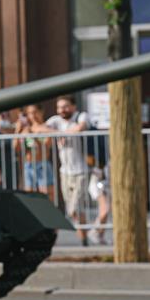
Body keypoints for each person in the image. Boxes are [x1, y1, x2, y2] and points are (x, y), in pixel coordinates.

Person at [46, 95, 90, 245]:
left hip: (82, 170)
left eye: (65, 106)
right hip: (65, 171)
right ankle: (84, 239)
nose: (62, 110)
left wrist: (62, 134)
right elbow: (39, 128)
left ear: (73, 107)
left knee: (73, 208)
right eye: (59, 107)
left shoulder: (80, 116)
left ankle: (80, 234)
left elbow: (80, 127)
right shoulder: (55, 121)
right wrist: (57, 133)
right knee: (79, 210)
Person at [14, 104, 55, 201]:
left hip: (42, 165)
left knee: (47, 197)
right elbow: (16, 148)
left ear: (41, 112)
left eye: (35, 112)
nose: (32, 116)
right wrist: (17, 130)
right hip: (28, 166)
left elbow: (46, 147)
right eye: (29, 113)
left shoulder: (46, 128)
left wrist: (33, 136)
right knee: (30, 198)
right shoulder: (25, 129)